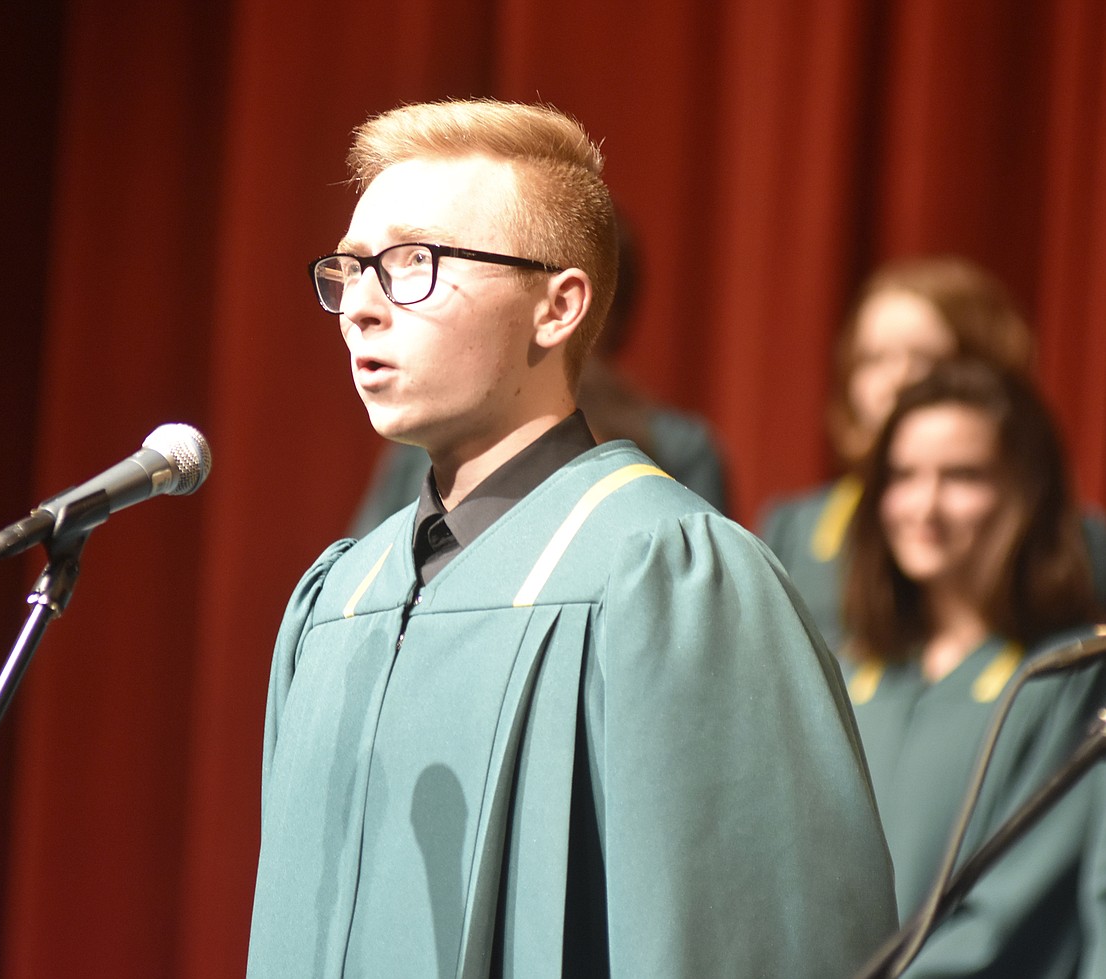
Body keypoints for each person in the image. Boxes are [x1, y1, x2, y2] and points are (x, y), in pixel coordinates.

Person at [246, 98, 897, 976]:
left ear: (557, 307)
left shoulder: (668, 577)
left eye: (410, 262)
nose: (360, 306)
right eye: (350, 269)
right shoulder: (337, 598)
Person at [842, 359, 1106, 977]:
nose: (924, 506)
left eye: (962, 476)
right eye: (903, 476)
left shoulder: (1067, 678)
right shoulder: (850, 671)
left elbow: (1006, 918)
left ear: (1026, 490)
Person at [761, 255, 1106, 652]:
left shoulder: (1070, 539)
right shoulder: (794, 527)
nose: (896, 381)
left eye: (924, 358)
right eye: (873, 360)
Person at [346, 212, 728, 538]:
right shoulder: (683, 443)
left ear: (564, 303)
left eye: (418, 261)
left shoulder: (432, 436)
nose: (358, 310)